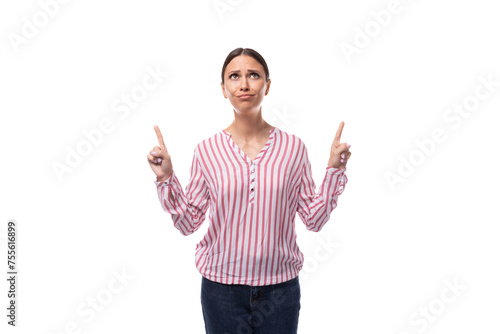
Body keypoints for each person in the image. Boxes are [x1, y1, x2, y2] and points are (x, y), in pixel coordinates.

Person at [147, 47, 351, 334]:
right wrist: (166, 178)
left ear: (267, 86)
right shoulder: (207, 151)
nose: (244, 84)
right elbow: (188, 222)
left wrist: (334, 171)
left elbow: (313, 220)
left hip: (280, 290)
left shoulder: (293, 148)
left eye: (253, 75)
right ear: (223, 88)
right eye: (234, 76)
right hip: (221, 291)